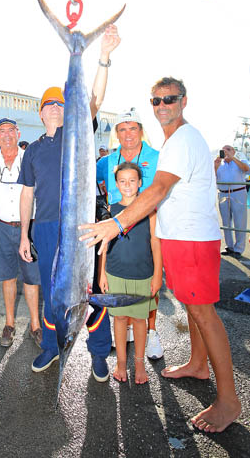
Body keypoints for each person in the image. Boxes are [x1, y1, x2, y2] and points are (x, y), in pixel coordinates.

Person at [80, 77, 241, 433]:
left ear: (184, 101)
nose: (162, 105)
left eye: (169, 99)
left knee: (204, 313)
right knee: (189, 305)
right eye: (156, 100)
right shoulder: (173, 141)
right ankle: (199, 363)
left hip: (193, 241)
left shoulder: (183, 139)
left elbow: (158, 188)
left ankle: (229, 400)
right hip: (180, 238)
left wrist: (115, 224)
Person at [19, 24, 121, 380]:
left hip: (79, 226)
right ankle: (51, 346)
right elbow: (27, 194)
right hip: (46, 227)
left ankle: (97, 353)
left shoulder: (77, 131)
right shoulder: (31, 150)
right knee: (53, 294)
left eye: (61, 105)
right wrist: (23, 236)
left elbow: (94, 100)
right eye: (49, 105)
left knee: (88, 291)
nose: (55, 110)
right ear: (41, 112)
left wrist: (102, 56)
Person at [97, 109, 163, 360]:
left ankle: (153, 331)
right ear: (117, 134)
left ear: (141, 130)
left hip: (149, 227)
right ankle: (124, 336)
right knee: (122, 290)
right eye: (122, 129)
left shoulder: (157, 157)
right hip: (117, 234)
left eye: (132, 128)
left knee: (148, 283)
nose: (128, 134)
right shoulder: (107, 161)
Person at [99, 162, 162, 384]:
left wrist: (157, 275)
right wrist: (102, 274)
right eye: (123, 181)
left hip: (143, 274)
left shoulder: (150, 210)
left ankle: (139, 364)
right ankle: (121, 363)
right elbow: (104, 244)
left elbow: (156, 243)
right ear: (116, 184)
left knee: (139, 320)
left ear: (140, 183)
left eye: (132, 181)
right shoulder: (110, 210)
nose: (127, 185)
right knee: (119, 318)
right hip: (115, 273)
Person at [0, 118, 41, 348]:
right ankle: (9, 323)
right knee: (7, 277)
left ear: (18, 133)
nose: (6, 135)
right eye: (1, 131)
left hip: (29, 226)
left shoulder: (31, 160)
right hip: (0, 226)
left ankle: (35, 325)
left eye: (10, 131)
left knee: (31, 277)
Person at [215, 145, 249, 260]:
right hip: (223, 193)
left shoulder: (241, 161)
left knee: (240, 221)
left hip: (238, 193)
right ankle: (229, 247)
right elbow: (212, 177)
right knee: (225, 222)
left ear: (234, 152)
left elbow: (246, 169)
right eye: (223, 150)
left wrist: (233, 158)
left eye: (228, 149)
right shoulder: (219, 164)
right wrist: (215, 166)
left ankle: (239, 248)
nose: (225, 152)